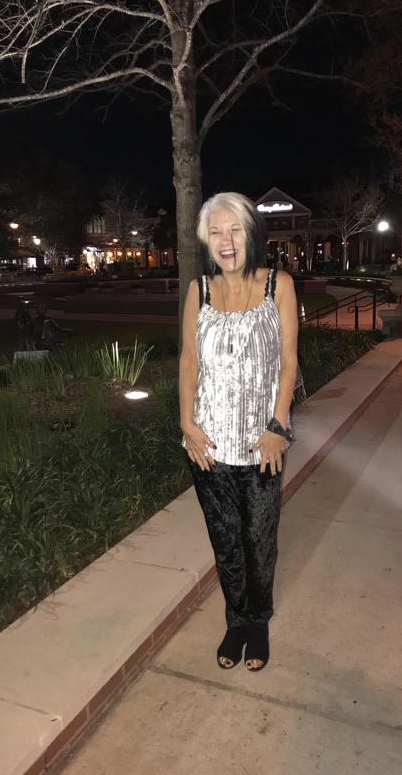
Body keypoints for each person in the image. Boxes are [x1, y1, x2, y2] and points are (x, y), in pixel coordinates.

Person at [179, 192, 298, 672]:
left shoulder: (277, 286)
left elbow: (288, 361)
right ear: (206, 240)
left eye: (234, 230)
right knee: (225, 539)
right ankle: (236, 620)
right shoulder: (200, 291)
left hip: (262, 444)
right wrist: (187, 424)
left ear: (251, 234)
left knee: (258, 537)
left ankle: (259, 620)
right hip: (208, 446)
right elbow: (189, 361)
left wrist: (278, 426)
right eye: (216, 232)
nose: (226, 241)